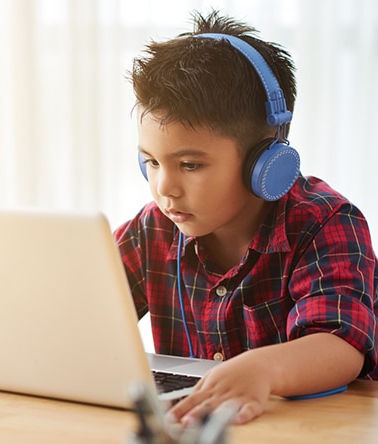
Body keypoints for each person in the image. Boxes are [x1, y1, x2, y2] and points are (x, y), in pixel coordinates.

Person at [113, 10, 378, 425]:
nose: (164, 187)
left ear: (267, 162)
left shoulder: (325, 222)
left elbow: (340, 345)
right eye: (150, 162)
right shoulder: (153, 228)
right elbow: (83, 311)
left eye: (190, 165)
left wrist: (265, 369)